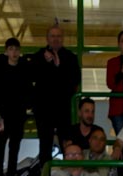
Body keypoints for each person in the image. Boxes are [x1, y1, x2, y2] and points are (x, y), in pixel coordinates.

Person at [31, 24, 81, 160]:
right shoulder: (38, 57)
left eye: (58, 36)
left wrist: (59, 66)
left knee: (66, 143)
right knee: (45, 144)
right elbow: (32, 76)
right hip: (43, 109)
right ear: (47, 39)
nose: (55, 39)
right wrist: (46, 64)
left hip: (63, 109)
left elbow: (74, 81)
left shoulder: (70, 58)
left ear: (63, 38)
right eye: (52, 36)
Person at [0, 38, 30, 176]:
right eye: (11, 49)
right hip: (4, 115)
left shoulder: (24, 70)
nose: (14, 52)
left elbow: (27, 92)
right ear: (6, 51)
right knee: (0, 148)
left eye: (16, 50)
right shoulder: (0, 70)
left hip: (18, 115)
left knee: (14, 149)